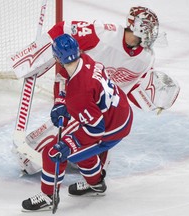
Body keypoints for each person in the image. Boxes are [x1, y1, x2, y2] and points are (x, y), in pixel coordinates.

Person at [14, 6, 180, 174]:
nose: (153, 35)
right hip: (74, 91)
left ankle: (75, 154)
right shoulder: (104, 34)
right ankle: (47, 149)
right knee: (28, 160)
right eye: (150, 30)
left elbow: (131, 89)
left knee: (99, 166)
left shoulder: (146, 58)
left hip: (101, 104)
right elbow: (62, 29)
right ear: (138, 27)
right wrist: (33, 57)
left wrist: (151, 99)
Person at [22, 34, 133, 211]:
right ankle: (96, 184)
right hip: (121, 113)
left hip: (111, 128)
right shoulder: (87, 60)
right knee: (81, 151)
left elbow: (95, 130)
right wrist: (61, 101)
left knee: (53, 152)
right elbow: (78, 87)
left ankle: (49, 196)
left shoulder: (79, 94)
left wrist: (69, 144)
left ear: (57, 57)